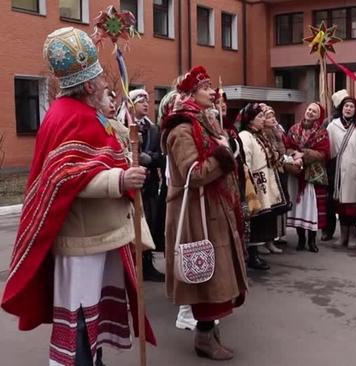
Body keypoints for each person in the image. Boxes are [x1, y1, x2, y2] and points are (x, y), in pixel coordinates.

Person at [1, 27, 156, 365]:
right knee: (83, 322)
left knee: (94, 319)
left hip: (100, 238)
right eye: (99, 77)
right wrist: (121, 179)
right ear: (87, 85)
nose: (104, 82)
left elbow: (96, 159)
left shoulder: (89, 114)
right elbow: (65, 178)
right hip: (82, 242)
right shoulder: (66, 117)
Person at [162, 65, 247, 360]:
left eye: (212, 85)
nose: (213, 92)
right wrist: (224, 156)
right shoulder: (181, 128)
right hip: (196, 213)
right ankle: (203, 337)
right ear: (189, 93)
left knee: (217, 274)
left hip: (212, 207)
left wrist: (227, 147)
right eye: (205, 87)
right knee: (205, 276)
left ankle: (210, 332)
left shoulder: (206, 120)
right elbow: (194, 174)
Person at [119, 89, 166, 282]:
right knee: (133, 225)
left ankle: (147, 264)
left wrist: (151, 158)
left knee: (150, 223)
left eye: (148, 102)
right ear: (131, 105)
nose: (146, 105)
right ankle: (131, 265)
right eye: (141, 102)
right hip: (132, 184)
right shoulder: (123, 125)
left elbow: (160, 156)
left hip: (150, 185)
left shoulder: (153, 129)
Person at [238, 103, 289, 265]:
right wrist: (250, 183)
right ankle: (252, 255)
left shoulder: (259, 135)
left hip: (264, 181)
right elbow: (246, 161)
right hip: (256, 182)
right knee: (254, 219)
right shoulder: (246, 136)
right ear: (250, 120)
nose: (262, 120)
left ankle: (256, 253)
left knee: (261, 219)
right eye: (259, 117)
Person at [284, 103, 330, 252]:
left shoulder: (321, 132)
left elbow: (324, 153)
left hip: (312, 176)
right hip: (297, 172)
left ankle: (312, 240)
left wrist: (304, 154)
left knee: (312, 209)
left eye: (314, 111)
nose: (310, 112)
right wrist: (293, 155)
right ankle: (301, 239)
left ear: (318, 116)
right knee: (299, 207)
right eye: (309, 109)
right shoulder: (294, 129)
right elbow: (287, 145)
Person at [327, 94, 356, 248]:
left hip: (355, 170)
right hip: (338, 171)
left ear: (355, 109)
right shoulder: (333, 125)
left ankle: (352, 235)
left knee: (354, 205)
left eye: (351, 106)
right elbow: (329, 148)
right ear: (341, 108)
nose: (348, 109)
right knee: (341, 205)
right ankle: (342, 235)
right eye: (346, 106)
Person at [261, 104, 291, 252]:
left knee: (277, 207)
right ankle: (265, 241)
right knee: (269, 209)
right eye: (268, 116)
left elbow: (282, 149)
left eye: (273, 115)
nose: (272, 119)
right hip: (270, 172)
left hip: (280, 170)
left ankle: (272, 239)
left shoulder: (277, 131)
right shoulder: (264, 134)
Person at [322, 89, 350, 241]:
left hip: (350, 165)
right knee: (331, 200)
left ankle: (350, 228)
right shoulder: (329, 122)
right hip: (332, 165)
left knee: (350, 198)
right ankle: (328, 229)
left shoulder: (355, 123)